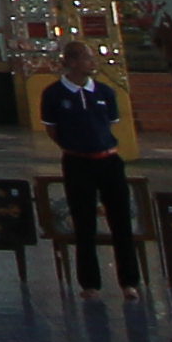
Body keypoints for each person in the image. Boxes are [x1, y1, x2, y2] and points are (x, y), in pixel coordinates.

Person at [41, 43, 144, 292]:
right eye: (87, 58)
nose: (92, 62)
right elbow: (52, 129)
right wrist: (73, 146)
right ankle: (90, 284)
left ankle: (129, 281)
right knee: (84, 223)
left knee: (121, 221)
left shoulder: (105, 92)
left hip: (108, 161)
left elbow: (110, 122)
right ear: (72, 62)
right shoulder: (54, 94)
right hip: (77, 163)